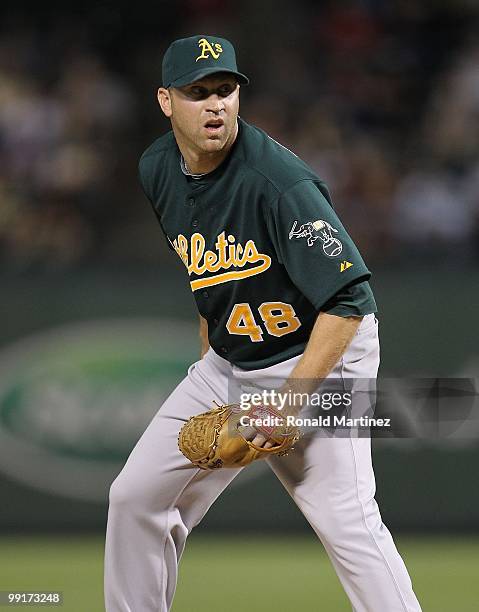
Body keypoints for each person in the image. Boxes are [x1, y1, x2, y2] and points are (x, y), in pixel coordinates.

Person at [104, 35, 422, 611]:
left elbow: (350, 299)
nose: (216, 103)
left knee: (346, 522)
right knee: (135, 498)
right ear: (165, 102)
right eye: (197, 92)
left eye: (225, 90)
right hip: (233, 360)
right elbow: (205, 270)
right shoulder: (157, 169)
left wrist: (291, 401)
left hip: (322, 358)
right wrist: (211, 358)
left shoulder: (278, 182)